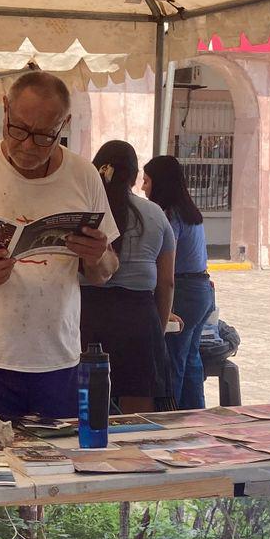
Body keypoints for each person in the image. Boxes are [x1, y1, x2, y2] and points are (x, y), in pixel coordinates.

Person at [0, 72, 119, 420]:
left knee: (59, 464)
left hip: (57, 356)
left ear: (65, 125)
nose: (28, 145)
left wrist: (98, 255)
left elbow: (105, 272)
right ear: (4, 110)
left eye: (45, 136)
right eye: (18, 129)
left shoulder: (83, 175)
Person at [83, 141, 175, 413]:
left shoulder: (86, 215)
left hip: (85, 319)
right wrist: (156, 330)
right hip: (137, 320)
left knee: (86, 409)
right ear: (134, 176)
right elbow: (167, 282)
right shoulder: (154, 214)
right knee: (138, 419)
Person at [143, 154, 213, 409]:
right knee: (191, 359)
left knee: (173, 361)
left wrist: (165, 307)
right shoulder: (190, 211)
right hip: (202, 290)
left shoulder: (169, 215)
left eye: (147, 181)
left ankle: (173, 418)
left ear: (159, 183)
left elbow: (165, 266)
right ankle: (194, 416)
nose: (143, 187)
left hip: (184, 292)